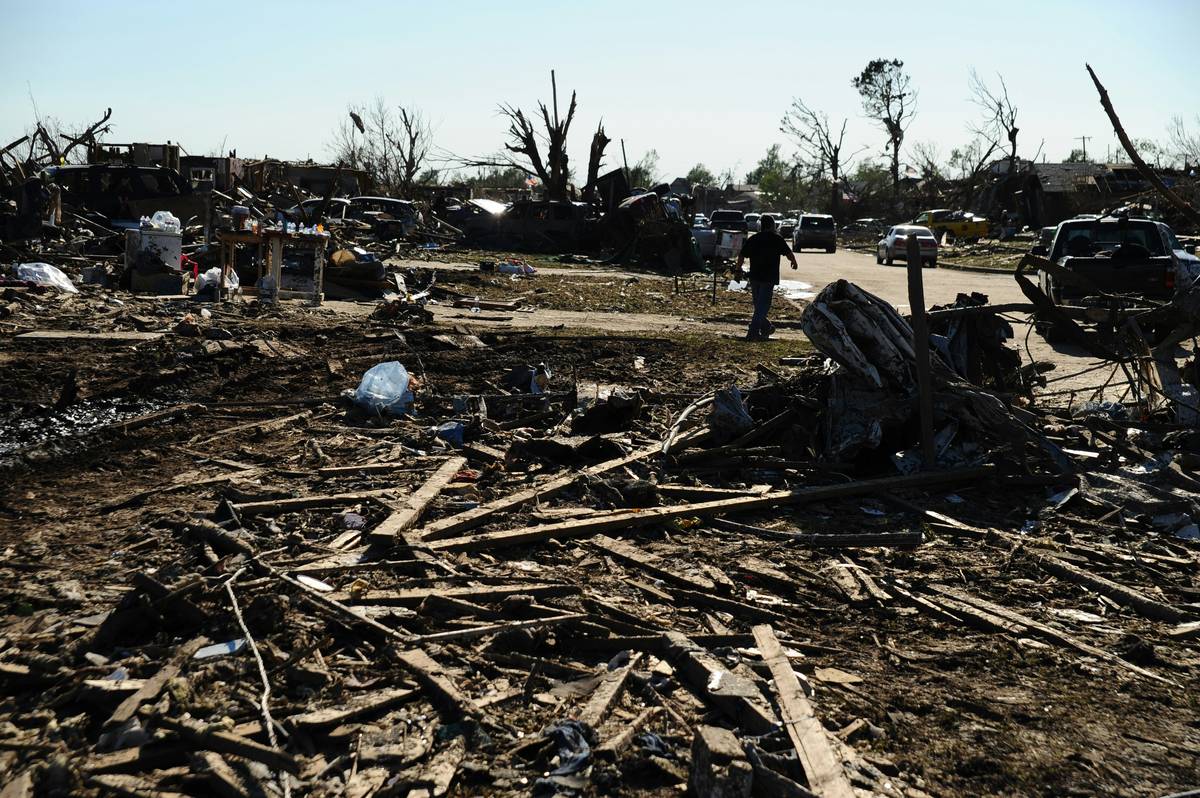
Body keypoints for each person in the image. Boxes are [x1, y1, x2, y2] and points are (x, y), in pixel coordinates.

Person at [735, 214, 797, 340]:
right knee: (763, 305)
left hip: (755, 276)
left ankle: (766, 327)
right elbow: (788, 253)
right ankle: (753, 332)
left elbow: (741, 255)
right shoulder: (777, 239)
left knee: (759, 304)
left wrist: (738, 270)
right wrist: (794, 261)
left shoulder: (754, 238)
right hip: (769, 277)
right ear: (772, 225)